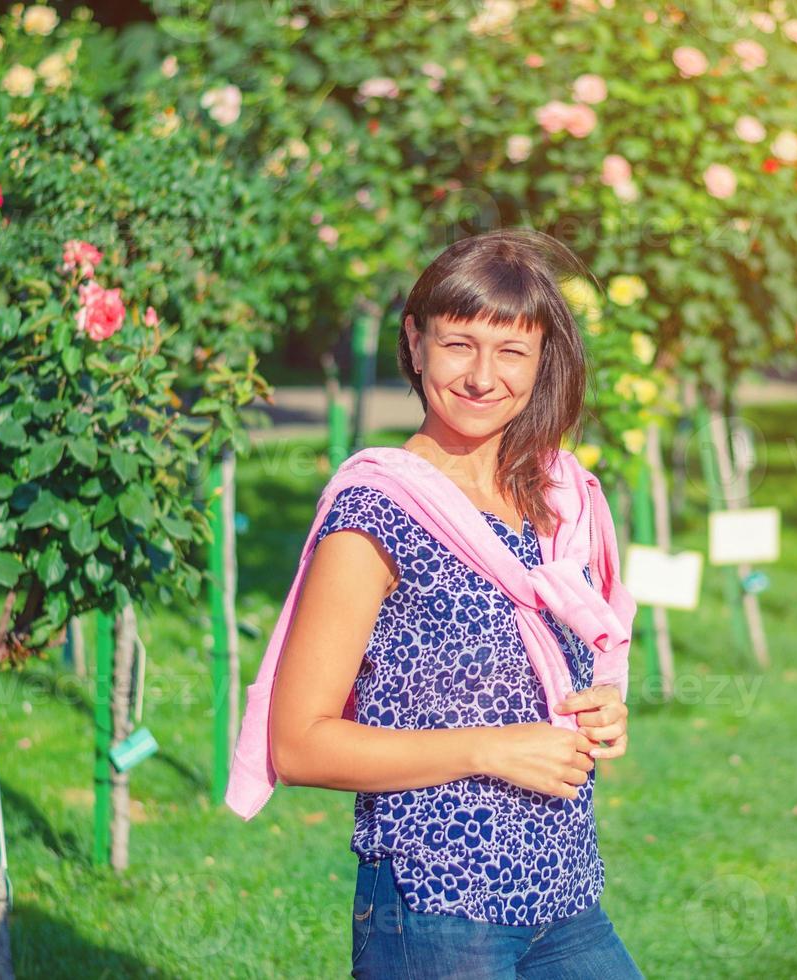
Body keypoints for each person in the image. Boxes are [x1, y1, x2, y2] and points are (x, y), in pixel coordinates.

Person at [266, 228, 644, 978]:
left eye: (511, 351)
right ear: (414, 343)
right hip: (438, 902)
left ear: (542, 361)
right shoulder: (378, 512)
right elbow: (298, 743)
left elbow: (549, 671)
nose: (481, 376)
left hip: (563, 892)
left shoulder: (554, 497)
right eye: (458, 344)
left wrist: (602, 707)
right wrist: (490, 748)